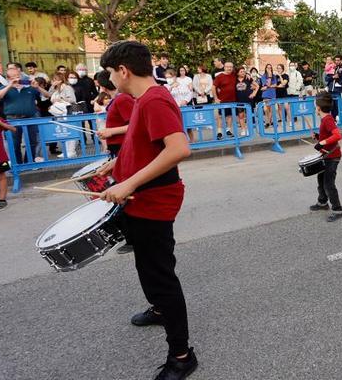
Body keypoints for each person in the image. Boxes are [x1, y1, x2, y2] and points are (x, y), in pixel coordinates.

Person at [95, 40, 197, 379]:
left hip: (153, 200)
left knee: (160, 275)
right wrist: (116, 166)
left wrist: (127, 184)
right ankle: (158, 309)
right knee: (147, 265)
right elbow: (145, 146)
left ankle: (182, 356)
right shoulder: (142, 99)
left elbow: (179, 148)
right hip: (142, 198)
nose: (110, 79)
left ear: (123, 70)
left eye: (111, 72)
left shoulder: (153, 99)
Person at [95, 69, 134, 254]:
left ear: (102, 84)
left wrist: (111, 132)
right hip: (116, 149)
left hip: (122, 148)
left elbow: (134, 125)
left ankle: (132, 237)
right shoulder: (117, 99)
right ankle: (128, 234)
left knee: (123, 193)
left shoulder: (122, 99)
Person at [0, 65, 46, 162]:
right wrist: (10, 85)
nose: (16, 78)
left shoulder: (29, 87)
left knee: (32, 142)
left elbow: (47, 95)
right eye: (13, 77)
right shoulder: (4, 87)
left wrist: (37, 87)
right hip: (13, 119)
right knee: (14, 143)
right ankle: (18, 164)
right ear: (8, 78)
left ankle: (29, 162)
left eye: (18, 76)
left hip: (30, 118)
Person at [309, 92, 342, 222]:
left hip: (332, 156)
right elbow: (328, 136)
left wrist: (322, 143)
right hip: (327, 155)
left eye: (315, 106)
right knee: (321, 179)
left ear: (318, 108)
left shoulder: (328, 119)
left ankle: (337, 209)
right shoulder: (325, 119)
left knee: (329, 183)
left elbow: (337, 135)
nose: (315, 109)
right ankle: (323, 202)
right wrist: (318, 138)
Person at [212, 61, 237, 140]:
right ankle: (219, 132)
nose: (229, 68)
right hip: (222, 100)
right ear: (224, 67)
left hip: (232, 100)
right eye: (227, 67)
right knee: (220, 116)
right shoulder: (220, 76)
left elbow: (242, 74)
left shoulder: (234, 75)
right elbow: (213, 87)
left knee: (229, 116)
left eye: (231, 67)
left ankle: (228, 131)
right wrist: (216, 98)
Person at [233, 67, 258, 135]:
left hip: (248, 99)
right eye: (241, 71)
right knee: (241, 115)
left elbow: (257, 86)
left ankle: (249, 129)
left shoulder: (248, 78)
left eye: (244, 71)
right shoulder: (234, 79)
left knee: (248, 115)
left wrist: (254, 93)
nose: (243, 73)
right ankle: (243, 129)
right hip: (239, 100)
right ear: (237, 73)